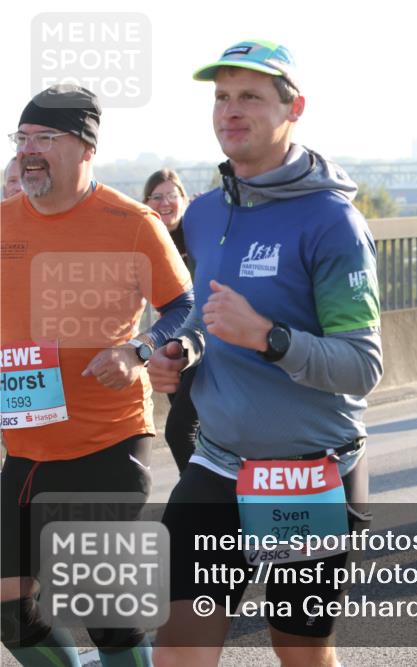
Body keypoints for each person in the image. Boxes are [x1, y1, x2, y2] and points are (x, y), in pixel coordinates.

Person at [148, 40, 381, 667]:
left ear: (293, 108)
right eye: (222, 96)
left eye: (250, 96)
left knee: (300, 654)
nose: (230, 110)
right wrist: (182, 349)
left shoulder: (333, 222)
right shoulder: (203, 213)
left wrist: (269, 338)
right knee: (178, 652)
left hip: (308, 473)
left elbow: (362, 365)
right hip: (217, 464)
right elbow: (203, 314)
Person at [1, 85, 192, 667]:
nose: (29, 151)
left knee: (101, 605)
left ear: (86, 147)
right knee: (9, 607)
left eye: (46, 138)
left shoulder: (131, 223)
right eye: (22, 138)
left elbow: (184, 307)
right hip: (27, 449)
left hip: (107, 442)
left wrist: (138, 349)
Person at [143, 168, 199, 471]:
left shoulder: (201, 234)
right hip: (173, 348)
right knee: (189, 428)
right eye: (156, 197)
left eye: (172, 195)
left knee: (179, 430)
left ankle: (196, 492)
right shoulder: (148, 240)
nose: (165, 203)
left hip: (205, 344)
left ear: (185, 199)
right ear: (146, 203)